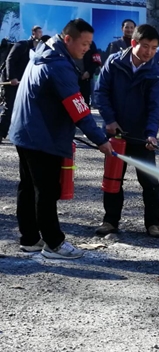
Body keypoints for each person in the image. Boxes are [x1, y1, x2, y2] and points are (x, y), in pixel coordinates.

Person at [10, 19, 113, 259]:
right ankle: (54, 244)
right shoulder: (58, 65)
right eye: (84, 43)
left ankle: (30, 239)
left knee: (28, 187)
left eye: (90, 43)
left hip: (24, 132)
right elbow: (78, 108)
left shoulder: (43, 54)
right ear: (68, 39)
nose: (87, 48)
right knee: (46, 190)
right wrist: (100, 140)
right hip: (42, 137)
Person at [95, 24, 159, 237]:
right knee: (113, 178)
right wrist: (110, 120)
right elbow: (101, 93)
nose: (149, 52)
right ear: (134, 43)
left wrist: (151, 133)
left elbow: (156, 107)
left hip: (141, 136)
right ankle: (110, 221)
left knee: (150, 182)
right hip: (115, 134)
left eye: (154, 48)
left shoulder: (156, 73)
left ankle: (153, 224)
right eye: (145, 46)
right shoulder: (114, 63)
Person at [0, 25, 42, 143]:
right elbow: (10, 60)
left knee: (27, 109)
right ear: (33, 33)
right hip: (12, 83)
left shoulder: (37, 51)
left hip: (24, 83)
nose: (41, 34)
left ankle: (26, 135)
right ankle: (1, 133)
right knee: (10, 107)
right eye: (39, 32)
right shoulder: (22, 45)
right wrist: (12, 77)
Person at [77, 40, 101, 106]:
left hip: (85, 79)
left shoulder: (90, 43)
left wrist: (89, 72)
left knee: (85, 105)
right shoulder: (69, 42)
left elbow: (97, 61)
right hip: (71, 79)